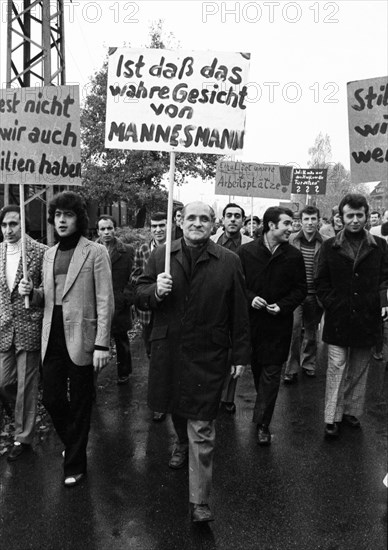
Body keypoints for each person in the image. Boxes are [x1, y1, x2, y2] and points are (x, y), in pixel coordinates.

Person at [135, 201, 250, 523]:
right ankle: (181, 442)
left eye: (204, 219)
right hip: (169, 349)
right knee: (175, 408)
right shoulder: (162, 256)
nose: (197, 223)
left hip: (208, 353)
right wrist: (155, 290)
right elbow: (139, 293)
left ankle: (199, 501)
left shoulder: (229, 261)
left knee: (202, 422)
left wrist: (240, 354)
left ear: (213, 225)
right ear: (180, 221)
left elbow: (239, 310)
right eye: (191, 218)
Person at [19, 191, 114, 486]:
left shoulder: (95, 252)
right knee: (52, 397)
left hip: (83, 335)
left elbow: (104, 301)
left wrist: (102, 343)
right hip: (53, 333)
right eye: (58, 215)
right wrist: (30, 293)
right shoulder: (49, 254)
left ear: (78, 219)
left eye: (68, 215)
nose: (62, 220)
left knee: (83, 400)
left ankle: (75, 464)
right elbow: (46, 299)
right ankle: (75, 443)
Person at [315, 193, 388, 438]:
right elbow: (320, 281)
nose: (355, 220)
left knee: (359, 369)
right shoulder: (329, 246)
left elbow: (384, 278)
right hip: (339, 317)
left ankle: (350, 412)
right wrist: (332, 304)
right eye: (350, 215)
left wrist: (381, 301)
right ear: (341, 218)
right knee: (336, 366)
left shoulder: (380, 245)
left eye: (360, 215)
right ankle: (331, 417)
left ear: (367, 216)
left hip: (367, 318)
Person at [238, 207, 307, 445]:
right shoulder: (245, 252)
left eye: (292, 223)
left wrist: (283, 306)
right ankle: (263, 409)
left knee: (271, 373)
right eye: (287, 223)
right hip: (252, 325)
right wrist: (250, 298)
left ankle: (263, 424)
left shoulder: (294, 256)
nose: (291, 227)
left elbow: (301, 290)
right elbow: (238, 285)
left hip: (278, 326)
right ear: (270, 225)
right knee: (259, 372)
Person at [0, 205, 47, 461]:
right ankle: (22, 417)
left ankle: (23, 436)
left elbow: (48, 291)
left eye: (14, 224)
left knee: (26, 386)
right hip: (5, 327)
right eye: (5, 225)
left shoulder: (40, 252)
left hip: (29, 326)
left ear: (23, 225)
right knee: (4, 382)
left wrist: (34, 292)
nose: (9, 230)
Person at [210, 202, 252, 414]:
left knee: (234, 352)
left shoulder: (250, 244)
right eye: (229, 215)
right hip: (213, 305)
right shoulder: (211, 242)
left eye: (237, 215)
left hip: (239, 304)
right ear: (223, 219)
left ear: (243, 220)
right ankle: (213, 393)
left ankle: (228, 397)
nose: (233, 219)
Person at [132, 212, 168, 422]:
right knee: (152, 355)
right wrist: (154, 285)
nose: (158, 230)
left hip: (170, 313)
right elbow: (135, 277)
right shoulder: (143, 250)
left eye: (162, 225)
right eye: (154, 226)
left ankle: (163, 401)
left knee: (166, 355)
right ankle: (159, 397)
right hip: (148, 314)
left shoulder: (177, 248)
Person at [283, 206, 326, 383]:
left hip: (316, 295)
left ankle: (309, 363)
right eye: (306, 219)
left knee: (310, 332)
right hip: (296, 295)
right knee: (294, 330)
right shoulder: (291, 239)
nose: (309, 223)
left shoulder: (326, 242)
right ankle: (291, 369)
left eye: (313, 219)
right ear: (300, 221)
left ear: (318, 220)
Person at [96, 214, 135, 385]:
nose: (106, 232)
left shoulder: (126, 251)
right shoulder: (91, 250)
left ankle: (124, 372)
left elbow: (135, 276)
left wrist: (125, 297)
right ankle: (94, 376)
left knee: (121, 339)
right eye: (102, 229)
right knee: (97, 339)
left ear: (115, 229)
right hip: (97, 303)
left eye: (109, 228)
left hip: (119, 302)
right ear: (98, 231)